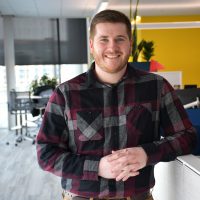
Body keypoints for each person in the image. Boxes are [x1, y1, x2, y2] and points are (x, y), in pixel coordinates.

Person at [36, 9, 197, 200]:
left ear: (130, 44)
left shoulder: (157, 87)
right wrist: (97, 167)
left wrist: (147, 154)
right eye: (103, 39)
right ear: (91, 45)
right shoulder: (65, 94)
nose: (112, 47)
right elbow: (45, 154)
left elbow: (187, 137)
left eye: (120, 39)